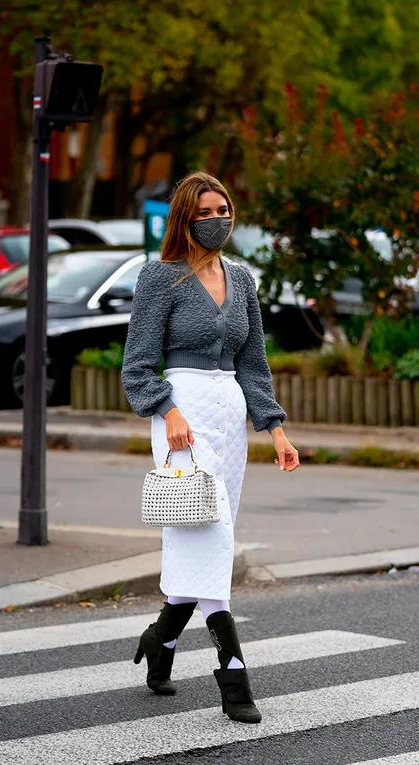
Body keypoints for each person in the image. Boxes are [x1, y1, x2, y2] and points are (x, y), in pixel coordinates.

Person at [122, 171, 299, 724]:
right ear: (185, 218)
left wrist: (275, 428)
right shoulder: (160, 278)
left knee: (206, 535)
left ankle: (161, 641)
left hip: (230, 417)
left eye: (224, 210)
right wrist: (167, 409)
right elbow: (136, 366)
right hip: (183, 416)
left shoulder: (241, 279)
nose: (218, 219)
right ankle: (233, 674)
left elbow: (254, 363)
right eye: (205, 212)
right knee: (211, 533)